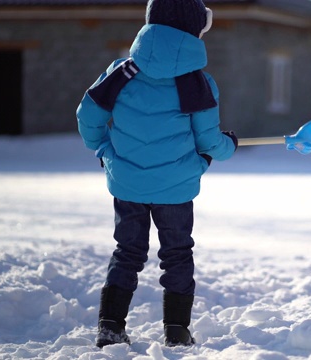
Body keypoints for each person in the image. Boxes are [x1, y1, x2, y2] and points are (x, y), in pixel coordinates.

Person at [76, 0, 237, 348]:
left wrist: (104, 150)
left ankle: (110, 326)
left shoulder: (121, 72)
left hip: (128, 184)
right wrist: (229, 146)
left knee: (127, 252)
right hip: (176, 189)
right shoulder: (197, 82)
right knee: (177, 254)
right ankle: (177, 332)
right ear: (194, 31)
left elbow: (88, 117)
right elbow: (208, 140)